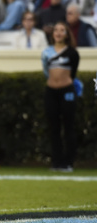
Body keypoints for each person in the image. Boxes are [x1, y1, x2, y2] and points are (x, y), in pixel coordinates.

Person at [42, 22, 79, 172]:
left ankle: (68, 162)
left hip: (67, 91)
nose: (58, 33)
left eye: (62, 30)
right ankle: (56, 162)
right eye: (56, 30)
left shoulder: (72, 53)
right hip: (51, 92)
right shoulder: (46, 52)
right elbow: (46, 70)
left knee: (68, 126)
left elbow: (73, 73)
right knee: (54, 127)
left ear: (66, 34)